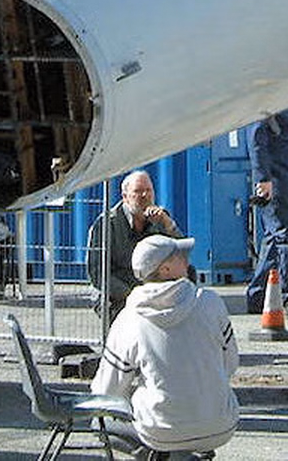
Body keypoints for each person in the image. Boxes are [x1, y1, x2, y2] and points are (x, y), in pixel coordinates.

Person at [92, 234, 238, 459]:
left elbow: (107, 390)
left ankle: (167, 456)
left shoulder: (129, 319)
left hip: (160, 433)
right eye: (180, 255)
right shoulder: (210, 302)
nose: (187, 260)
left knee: (98, 422)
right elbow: (230, 364)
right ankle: (181, 456)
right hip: (220, 425)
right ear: (165, 269)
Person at [245, 105, 288, 318]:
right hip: (278, 176)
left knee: (274, 237)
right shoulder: (273, 97)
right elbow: (256, 134)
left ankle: (258, 296)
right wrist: (262, 178)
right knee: (287, 234)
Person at [88, 170, 186, 321]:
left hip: (153, 290)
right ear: (125, 197)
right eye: (138, 191)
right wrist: (132, 295)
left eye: (149, 191)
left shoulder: (161, 219)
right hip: (118, 294)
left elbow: (183, 257)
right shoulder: (107, 224)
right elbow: (97, 273)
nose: (145, 196)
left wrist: (169, 225)